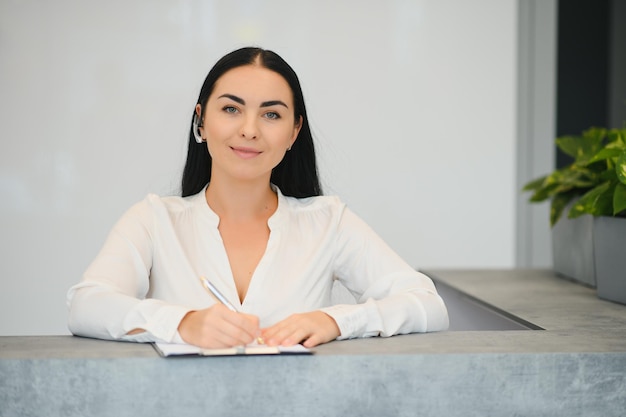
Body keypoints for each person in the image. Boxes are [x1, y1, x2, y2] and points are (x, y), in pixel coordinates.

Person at [67, 46, 449, 349]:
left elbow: (427, 305)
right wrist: (182, 323)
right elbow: (87, 305)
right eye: (231, 109)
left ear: (294, 131)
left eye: (271, 115)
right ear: (201, 121)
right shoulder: (153, 220)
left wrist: (336, 320)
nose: (249, 130)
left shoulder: (328, 222)